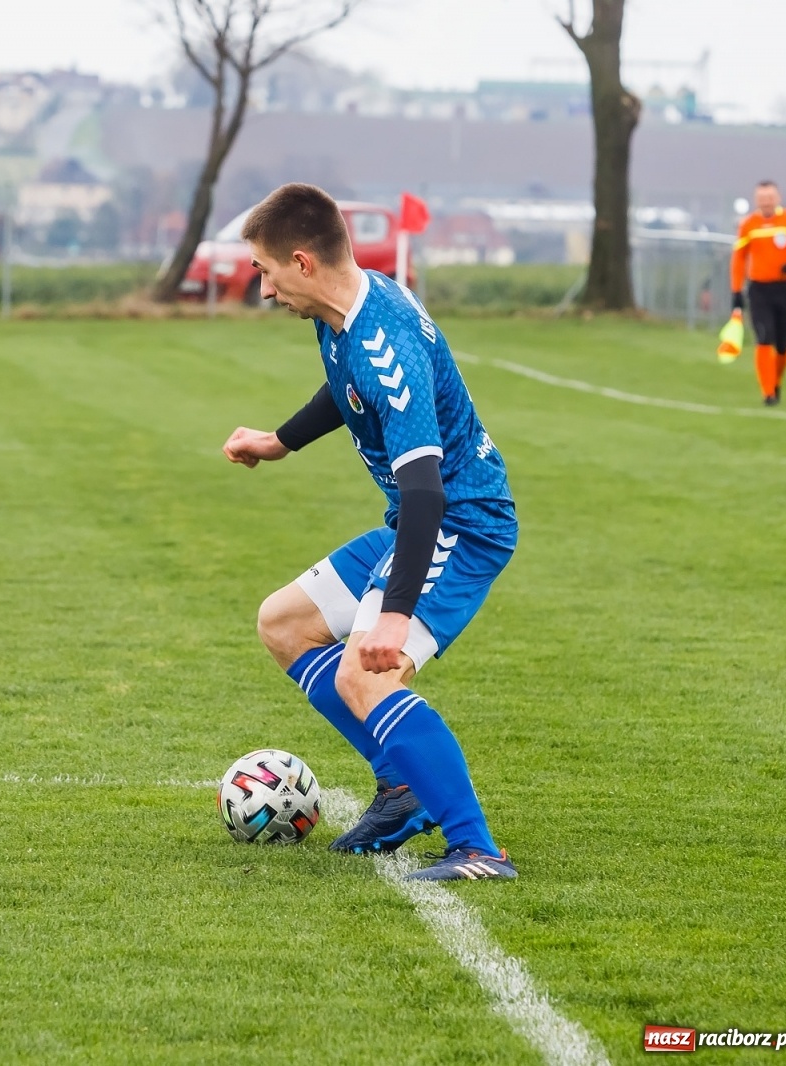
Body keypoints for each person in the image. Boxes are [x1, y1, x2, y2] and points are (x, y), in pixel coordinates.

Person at [222, 183, 519, 882]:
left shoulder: (387, 345)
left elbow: (425, 491)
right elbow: (345, 388)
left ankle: (477, 848)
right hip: (418, 519)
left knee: (365, 670)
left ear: (301, 262)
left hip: (459, 524)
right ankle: (402, 785)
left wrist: (395, 616)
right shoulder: (342, 311)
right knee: (284, 623)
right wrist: (280, 441)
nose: (262, 290)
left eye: (263, 271)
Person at [730, 180, 786, 406]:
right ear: (756, 200)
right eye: (762, 198)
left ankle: (776, 381)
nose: (766, 202)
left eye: (770, 198)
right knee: (764, 338)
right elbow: (738, 259)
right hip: (759, 290)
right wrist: (736, 290)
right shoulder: (749, 225)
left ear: (778, 198)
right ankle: (768, 393)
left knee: (783, 344)